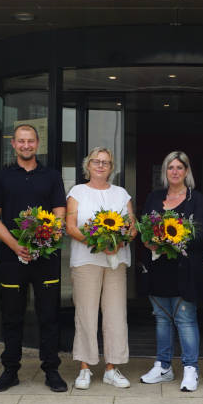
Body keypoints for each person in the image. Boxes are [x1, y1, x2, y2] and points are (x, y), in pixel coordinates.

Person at [0, 124, 68, 392]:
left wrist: (42, 242)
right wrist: (16, 245)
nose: (25, 145)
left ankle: (51, 370)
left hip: (46, 258)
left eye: (30, 141)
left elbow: (59, 215)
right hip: (12, 259)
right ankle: (10, 370)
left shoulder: (52, 176)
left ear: (37, 143)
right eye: (21, 141)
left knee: (49, 316)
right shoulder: (1, 177)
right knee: (11, 317)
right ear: (13, 144)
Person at [138, 151, 203, 392]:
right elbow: (144, 228)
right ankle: (164, 367)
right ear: (165, 172)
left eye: (180, 167)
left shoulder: (197, 200)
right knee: (161, 319)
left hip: (185, 269)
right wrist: (149, 241)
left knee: (185, 319)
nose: (175, 172)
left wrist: (174, 241)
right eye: (171, 168)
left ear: (187, 171)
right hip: (158, 268)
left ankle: (191, 369)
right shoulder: (154, 197)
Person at [66, 147, 137, 389]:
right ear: (88, 165)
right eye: (96, 161)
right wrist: (98, 244)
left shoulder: (121, 193)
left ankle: (112, 367)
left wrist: (119, 243)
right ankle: (85, 367)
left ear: (111, 168)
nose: (100, 165)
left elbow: (132, 227)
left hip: (116, 261)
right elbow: (71, 226)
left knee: (116, 314)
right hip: (86, 260)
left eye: (105, 162)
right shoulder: (77, 192)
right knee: (85, 314)